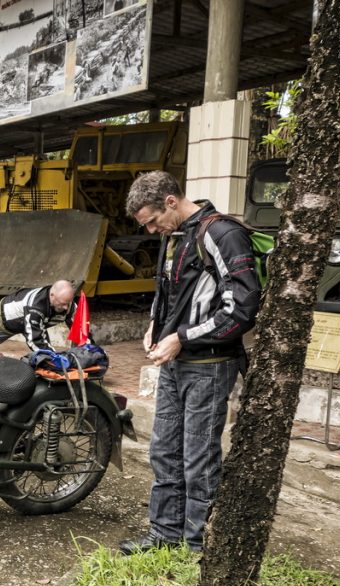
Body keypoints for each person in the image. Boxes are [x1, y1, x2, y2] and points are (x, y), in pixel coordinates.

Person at [119, 170, 261, 554]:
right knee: (164, 451)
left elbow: (241, 309)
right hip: (174, 364)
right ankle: (164, 535)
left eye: (152, 220)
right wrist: (155, 325)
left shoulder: (222, 234)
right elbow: (167, 290)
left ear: (170, 201)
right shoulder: (173, 236)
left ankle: (198, 546)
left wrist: (181, 338)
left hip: (210, 366)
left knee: (199, 456)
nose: (151, 230)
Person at [0, 281, 76, 352]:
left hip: (35, 322)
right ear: (52, 295)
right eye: (63, 304)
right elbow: (35, 341)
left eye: (68, 303)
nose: (66, 307)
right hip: (6, 318)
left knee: (46, 350)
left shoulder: (68, 305)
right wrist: (54, 357)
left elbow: (79, 329)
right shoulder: (36, 305)